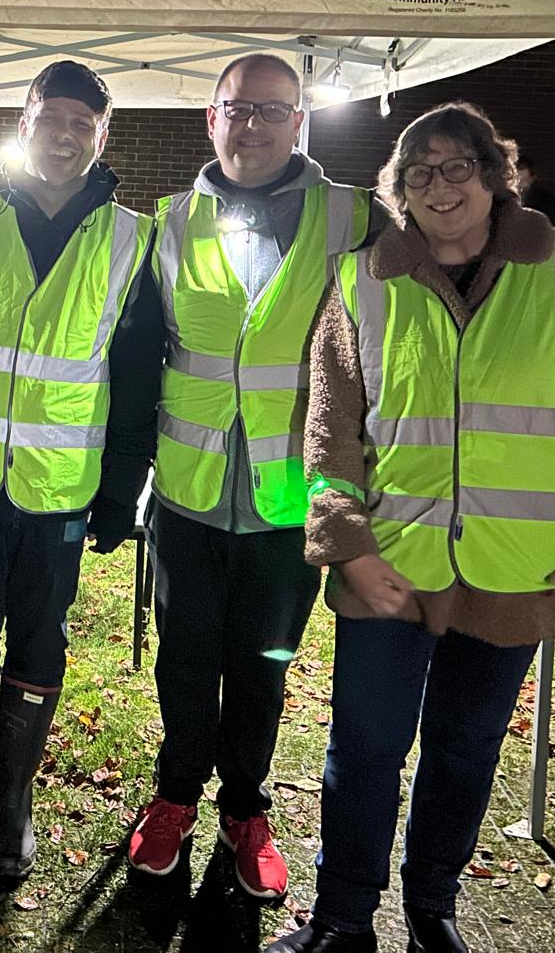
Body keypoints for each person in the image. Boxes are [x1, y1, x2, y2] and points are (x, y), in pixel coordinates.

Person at [268, 102, 555, 953]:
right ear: (398, 190)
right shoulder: (365, 279)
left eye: (455, 168)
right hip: (389, 569)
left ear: (493, 173)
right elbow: (328, 430)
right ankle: (341, 919)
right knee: (364, 752)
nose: (439, 188)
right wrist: (347, 548)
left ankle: (433, 911)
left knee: (465, 752)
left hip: (519, 573)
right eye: (418, 173)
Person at [120, 54, 380, 897]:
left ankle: (245, 809)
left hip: (287, 498)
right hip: (188, 492)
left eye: (273, 111)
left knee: (262, 664)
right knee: (184, 659)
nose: (253, 125)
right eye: (238, 109)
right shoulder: (168, 221)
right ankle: (173, 798)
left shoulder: (354, 219)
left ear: (299, 122)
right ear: (211, 117)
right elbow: (131, 355)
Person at [0, 60, 157, 883]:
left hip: (62, 487)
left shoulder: (135, 237)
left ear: (101, 136)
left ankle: (11, 808)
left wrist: (123, 489)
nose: (63, 136)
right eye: (50, 118)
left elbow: (135, 377)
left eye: (81, 125)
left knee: (39, 640)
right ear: (24, 123)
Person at [512, 151, 555, 226]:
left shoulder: (549, 204)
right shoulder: (499, 200)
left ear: (532, 178)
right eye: (514, 181)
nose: (518, 186)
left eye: (523, 181)